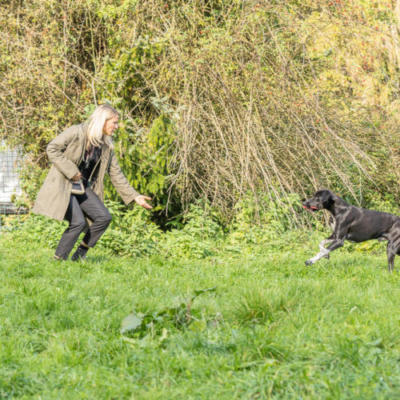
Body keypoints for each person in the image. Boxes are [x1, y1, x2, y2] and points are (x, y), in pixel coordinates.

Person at [32, 104, 152, 261]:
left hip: (82, 186)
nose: (116, 126)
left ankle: (79, 255)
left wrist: (134, 196)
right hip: (63, 183)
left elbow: (116, 174)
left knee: (103, 217)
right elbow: (52, 148)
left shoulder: (106, 146)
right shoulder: (76, 132)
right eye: (114, 122)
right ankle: (58, 260)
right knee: (78, 222)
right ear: (103, 120)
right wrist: (71, 171)